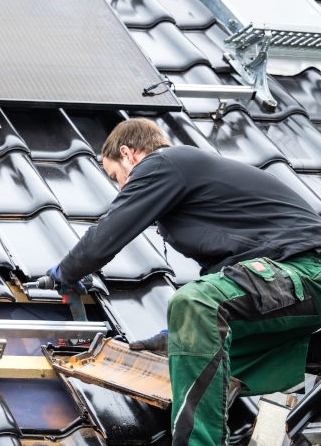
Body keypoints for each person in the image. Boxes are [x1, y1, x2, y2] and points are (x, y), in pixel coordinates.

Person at [47, 118, 321, 446]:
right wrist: (182, 337)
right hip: (288, 285)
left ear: (129, 154)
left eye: (115, 177)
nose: (121, 188)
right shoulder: (198, 187)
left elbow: (109, 232)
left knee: (193, 303)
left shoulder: (163, 163)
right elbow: (233, 278)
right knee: (188, 354)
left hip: (305, 270)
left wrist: (66, 272)